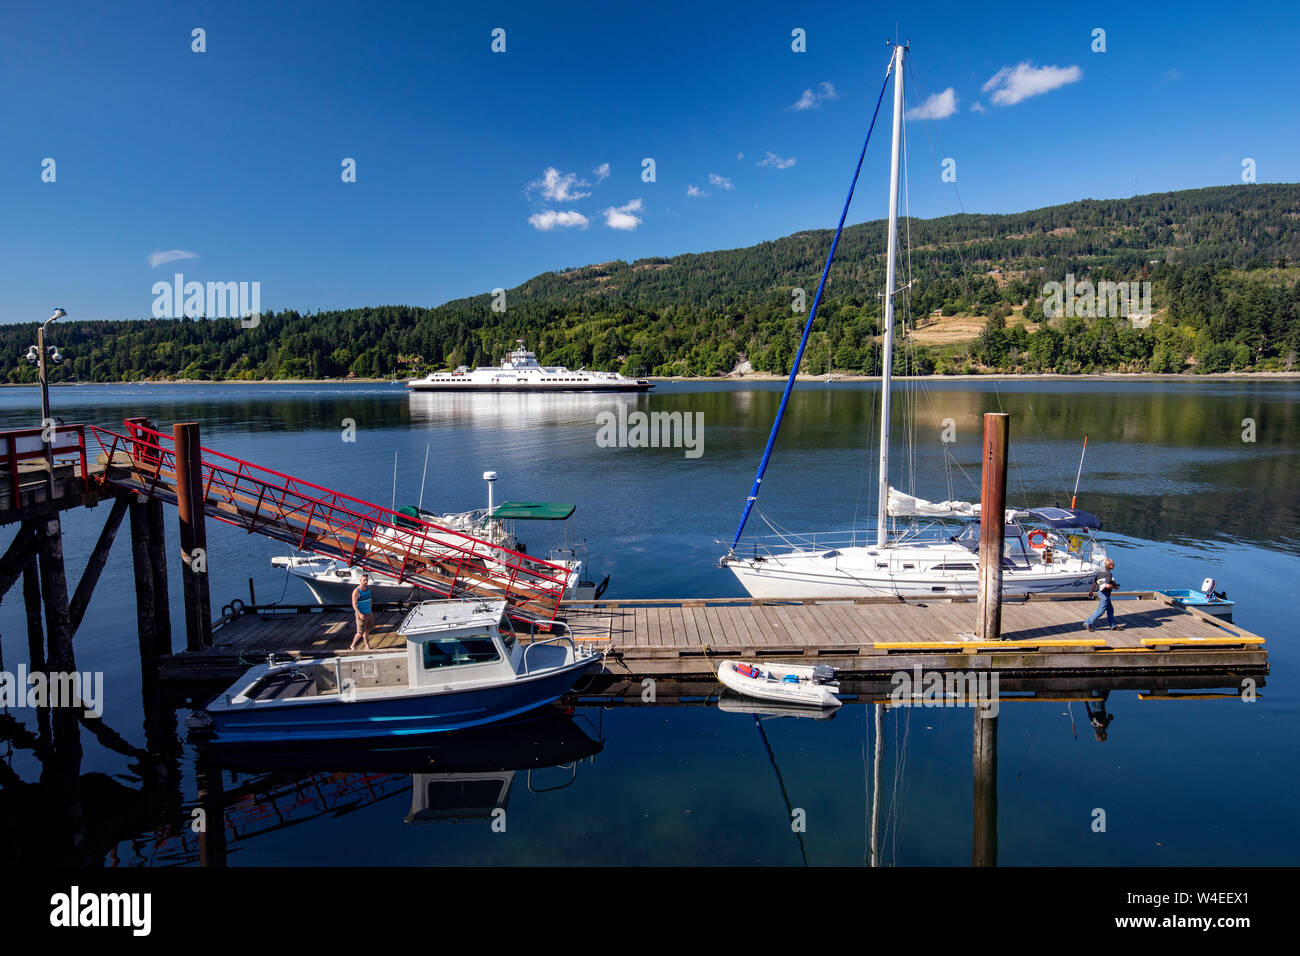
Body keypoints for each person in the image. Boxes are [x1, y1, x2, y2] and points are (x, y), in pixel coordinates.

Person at [1084, 558, 1120, 631]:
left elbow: (1095, 583)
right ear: (1108, 565)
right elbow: (1107, 585)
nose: (1114, 565)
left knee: (1110, 610)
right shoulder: (1108, 574)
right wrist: (1114, 587)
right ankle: (1088, 623)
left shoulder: (1099, 572)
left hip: (1101, 593)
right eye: (1112, 564)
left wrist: (1091, 592)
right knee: (1101, 611)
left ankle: (1113, 626)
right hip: (1104, 594)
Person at [350, 572, 374, 650]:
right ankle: (353, 645)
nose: (366, 582)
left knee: (367, 630)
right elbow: (354, 604)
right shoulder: (356, 591)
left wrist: (370, 610)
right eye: (364, 580)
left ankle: (367, 645)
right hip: (361, 614)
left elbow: (370, 600)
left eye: (367, 580)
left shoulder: (368, 589)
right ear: (360, 580)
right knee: (360, 632)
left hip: (368, 612)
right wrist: (359, 614)